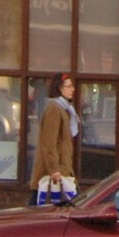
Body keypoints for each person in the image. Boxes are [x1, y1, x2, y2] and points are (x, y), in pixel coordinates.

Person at [30, 73, 79, 204]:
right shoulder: (54, 109)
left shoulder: (64, 109)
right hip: (51, 175)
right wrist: (54, 170)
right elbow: (49, 143)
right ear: (60, 88)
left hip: (61, 170)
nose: (73, 89)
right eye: (69, 86)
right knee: (38, 209)